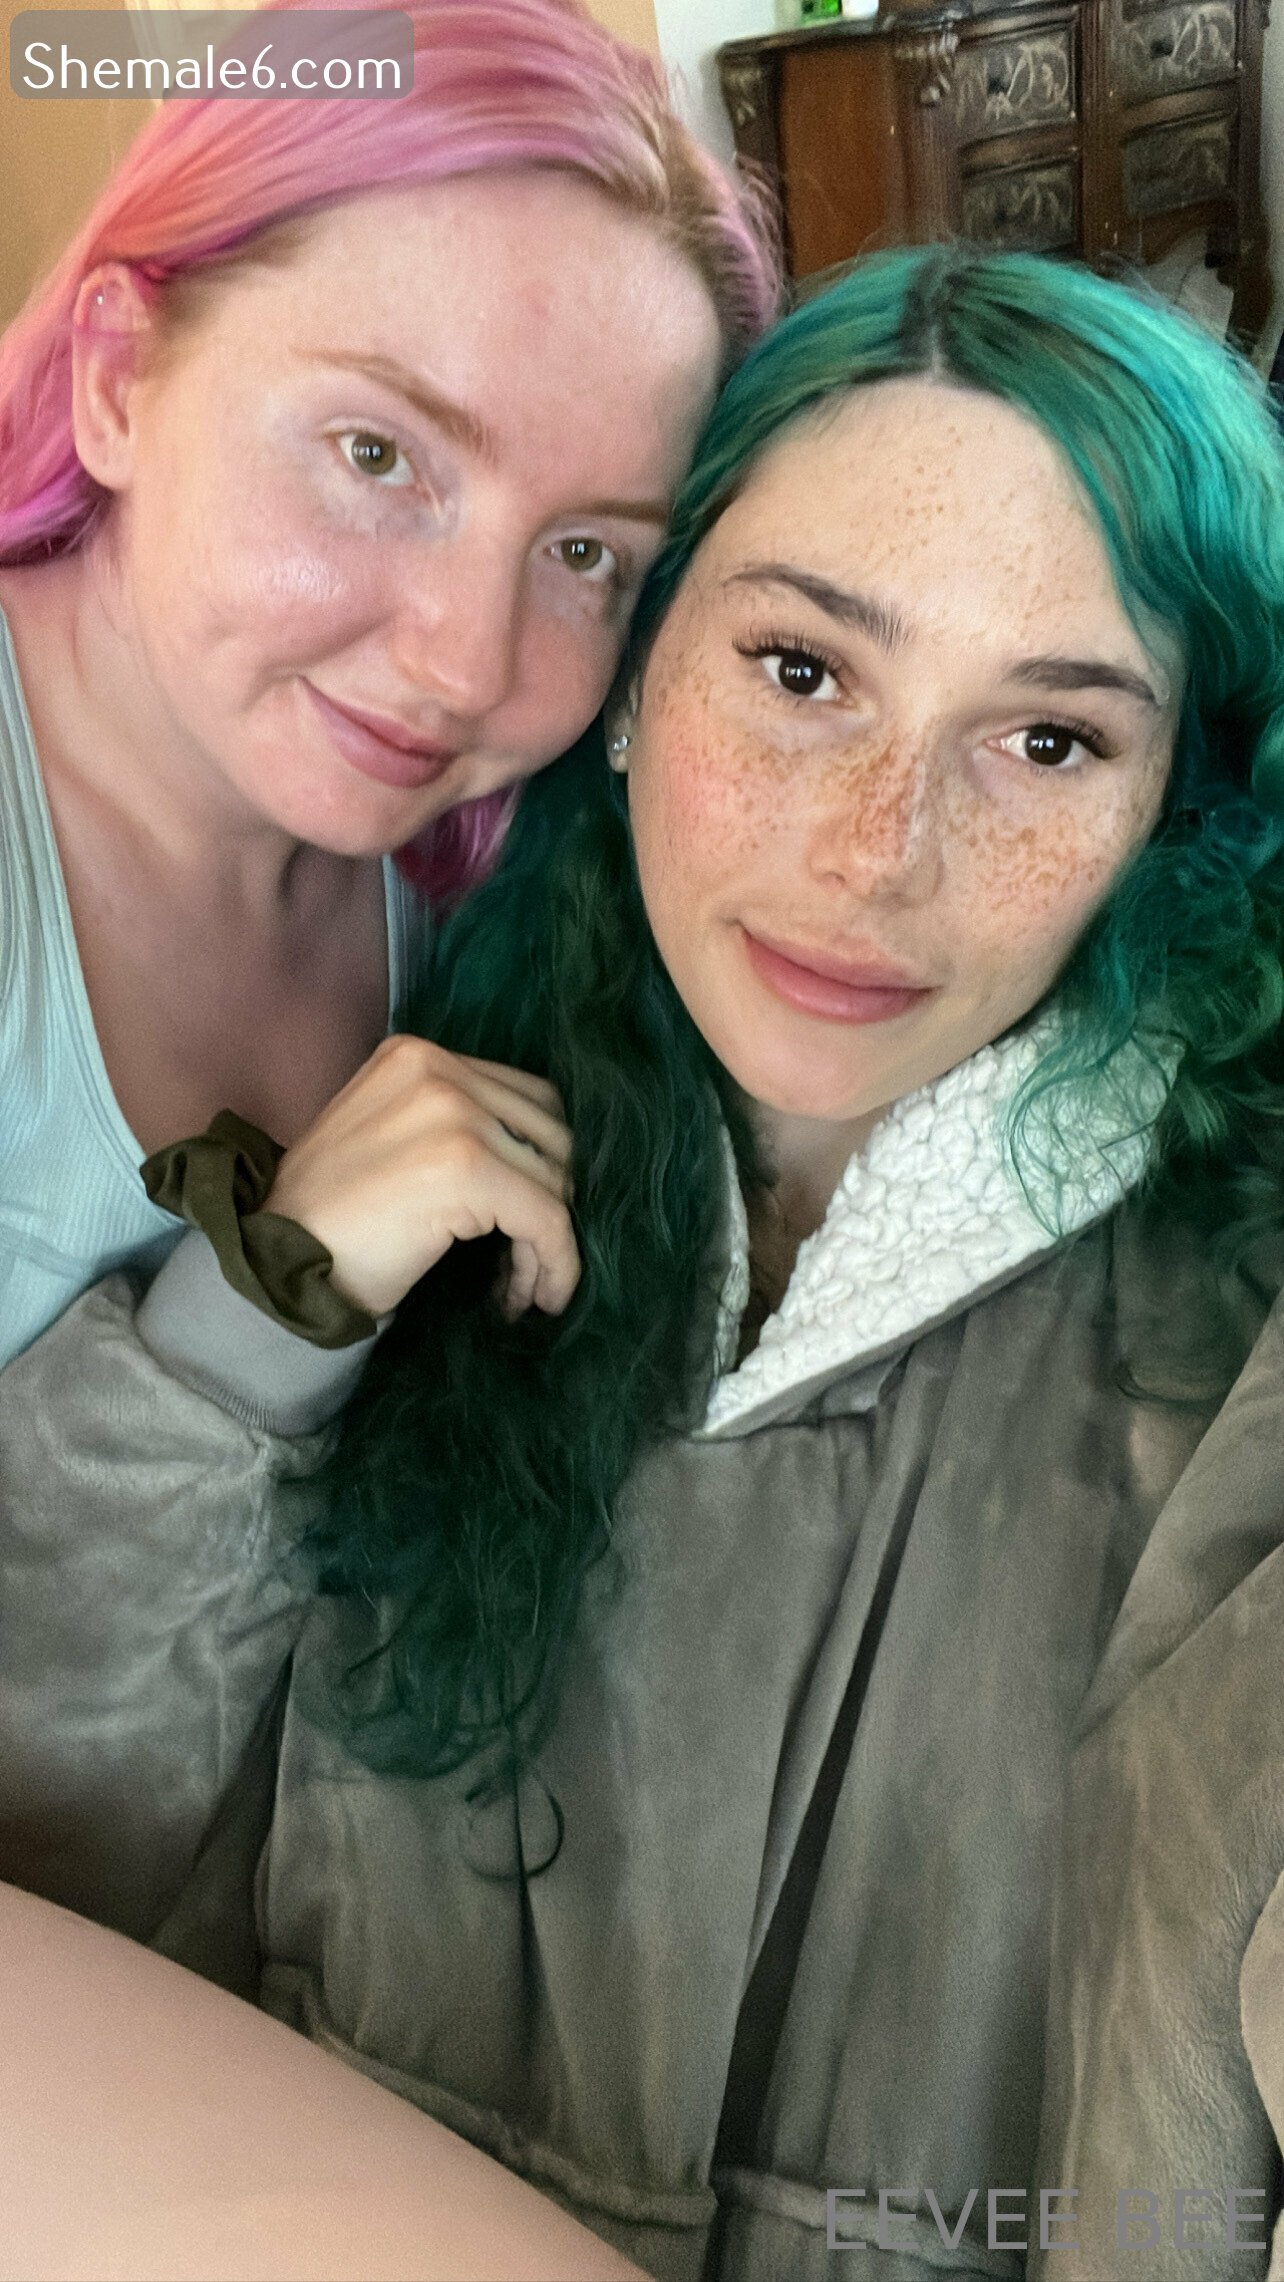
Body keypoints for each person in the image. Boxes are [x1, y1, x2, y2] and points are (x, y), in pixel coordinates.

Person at [3, 246, 1284, 2280]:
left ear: (1170, 813)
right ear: (631, 685)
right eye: (801, 672)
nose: (875, 852)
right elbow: (54, 1852)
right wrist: (257, 1320)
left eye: (1048, 743)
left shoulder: (1234, 1378)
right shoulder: (415, 1101)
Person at [0, 0, 775, 1367]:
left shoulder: (527, 869)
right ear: (118, 379)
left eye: (585, 553)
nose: (464, 667)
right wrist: (281, 1282)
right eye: (377, 456)